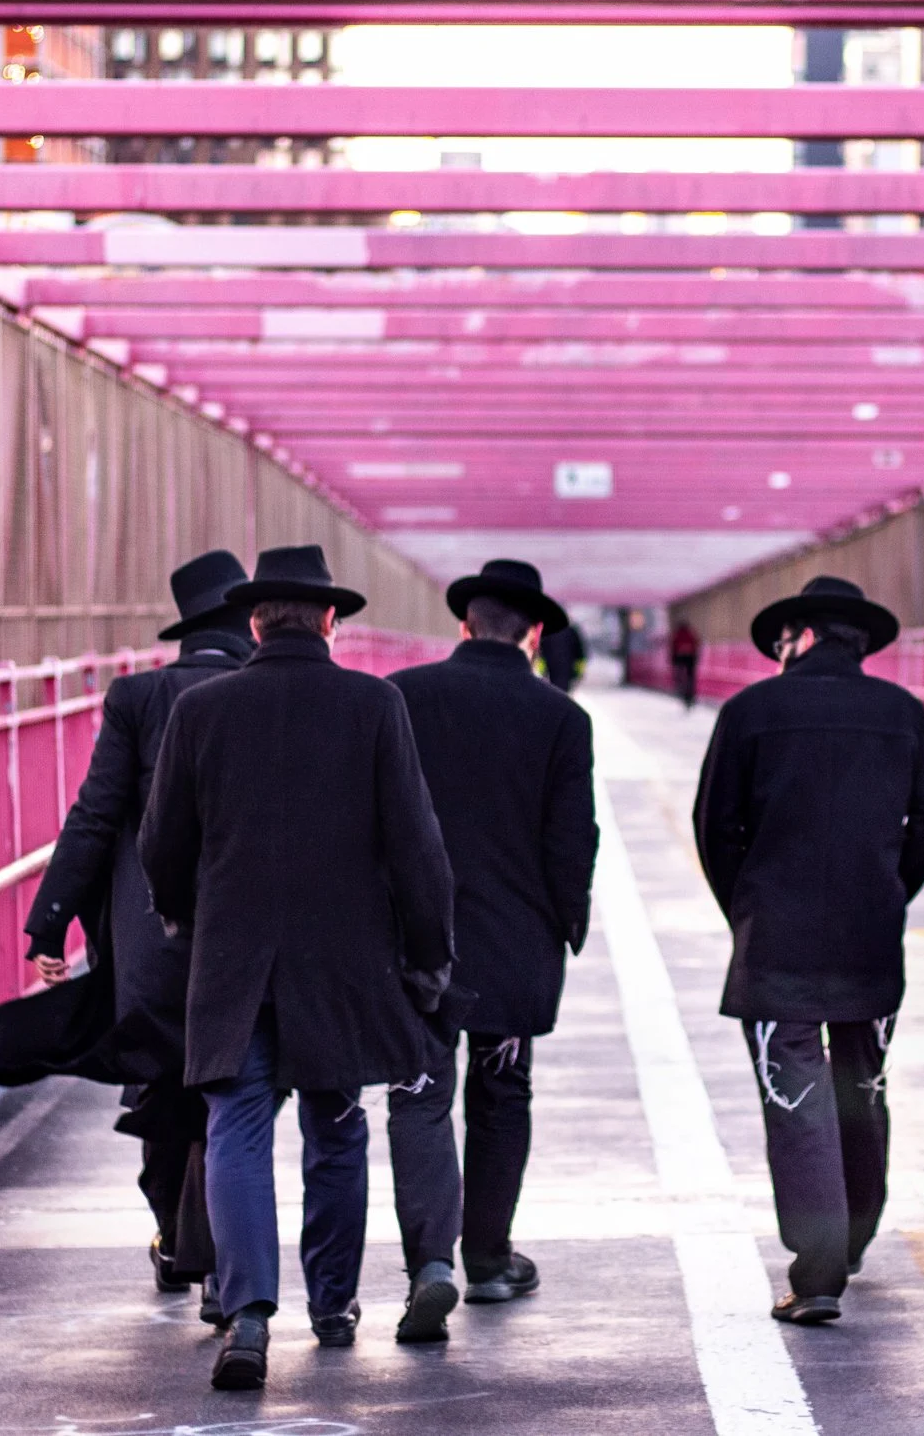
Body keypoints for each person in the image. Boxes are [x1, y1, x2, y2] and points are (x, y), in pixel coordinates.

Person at [140, 545, 458, 1390]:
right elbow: (417, 846)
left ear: (254, 622)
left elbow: (160, 841)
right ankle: (334, 1304)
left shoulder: (201, 710)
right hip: (342, 962)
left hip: (233, 957)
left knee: (237, 1125)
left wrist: (184, 915)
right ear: (330, 620)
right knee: (337, 1123)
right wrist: (428, 954)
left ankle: (247, 1314)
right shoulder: (374, 705)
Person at [691, 576, 924, 1327]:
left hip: (778, 939)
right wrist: (889, 891)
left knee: (795, 1097)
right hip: (871, 937)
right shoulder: (902, 713)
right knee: (862, 1086)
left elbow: (715, 826)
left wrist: (747, 906)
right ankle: (855, 1234)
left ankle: (818, 1270)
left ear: (801, 637)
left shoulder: (749, 711)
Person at [11, 549, 251, 1315]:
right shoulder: (262, 693)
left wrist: (50, 925)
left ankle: (182, 1241)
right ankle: (215, 1263)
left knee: (162, 1087)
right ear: (246, 619)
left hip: (152, 948)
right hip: (244, 939)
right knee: (228, 1098)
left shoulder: (138, 698)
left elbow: (93, 815)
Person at [387, 559, 598, 1311]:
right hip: (515, 938)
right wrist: (568, 923)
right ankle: (488, 1257)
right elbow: (572, 839)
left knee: (420, 1094)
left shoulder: (403, 696)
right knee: (502, 1092)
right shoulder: (561, 718)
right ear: (535, 634)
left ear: (464, 625)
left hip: (416, 937)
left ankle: (429, 1265)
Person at [539, 621, 587, 693]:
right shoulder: (572, 631)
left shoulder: (546, 632)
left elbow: (540, 654)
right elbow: (580, 655)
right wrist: (578, 674)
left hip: (552, 675)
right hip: (566, 674)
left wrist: (542, 672)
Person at [668, 616, 701, 709]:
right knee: (690, 678)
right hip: (690, 658)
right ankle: (690, 695)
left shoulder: (677, 634)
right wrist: (695, 657)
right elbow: (696, 644)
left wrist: (674, 659)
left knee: (681, 677)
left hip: (680, 658)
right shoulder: (691, 633)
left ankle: (683, 693)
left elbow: (673, 646)